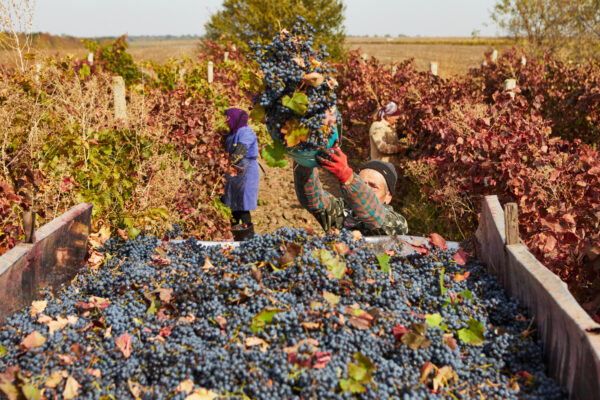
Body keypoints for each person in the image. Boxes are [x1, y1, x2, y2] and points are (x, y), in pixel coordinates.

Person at [293, 144, 408, 236]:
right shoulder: (341, 210)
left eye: (373, 186)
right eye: (362, 183)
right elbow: (313, 199)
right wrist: (305, 160)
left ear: (388, 196)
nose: (366, 189)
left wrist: (348, 178)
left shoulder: (397, 223)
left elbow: (375, 215)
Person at [222, 108, 259, 240]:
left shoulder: (245, 131)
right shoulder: (232, 133)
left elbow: (241, 150)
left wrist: (227, 163)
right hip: (234, 171)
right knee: (233, 204)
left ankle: (247, 238)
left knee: (243, 205)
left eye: (227, 118)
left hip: (246, 170)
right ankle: (236, 238)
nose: (226, 121)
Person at [369, 102, 403, 168]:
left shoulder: (390, 126)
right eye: (396, 119)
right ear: (388, 117)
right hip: (381, 168)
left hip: (391, 166)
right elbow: (382, 147)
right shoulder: (378, 127)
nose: (396, 121)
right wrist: (397, 149)